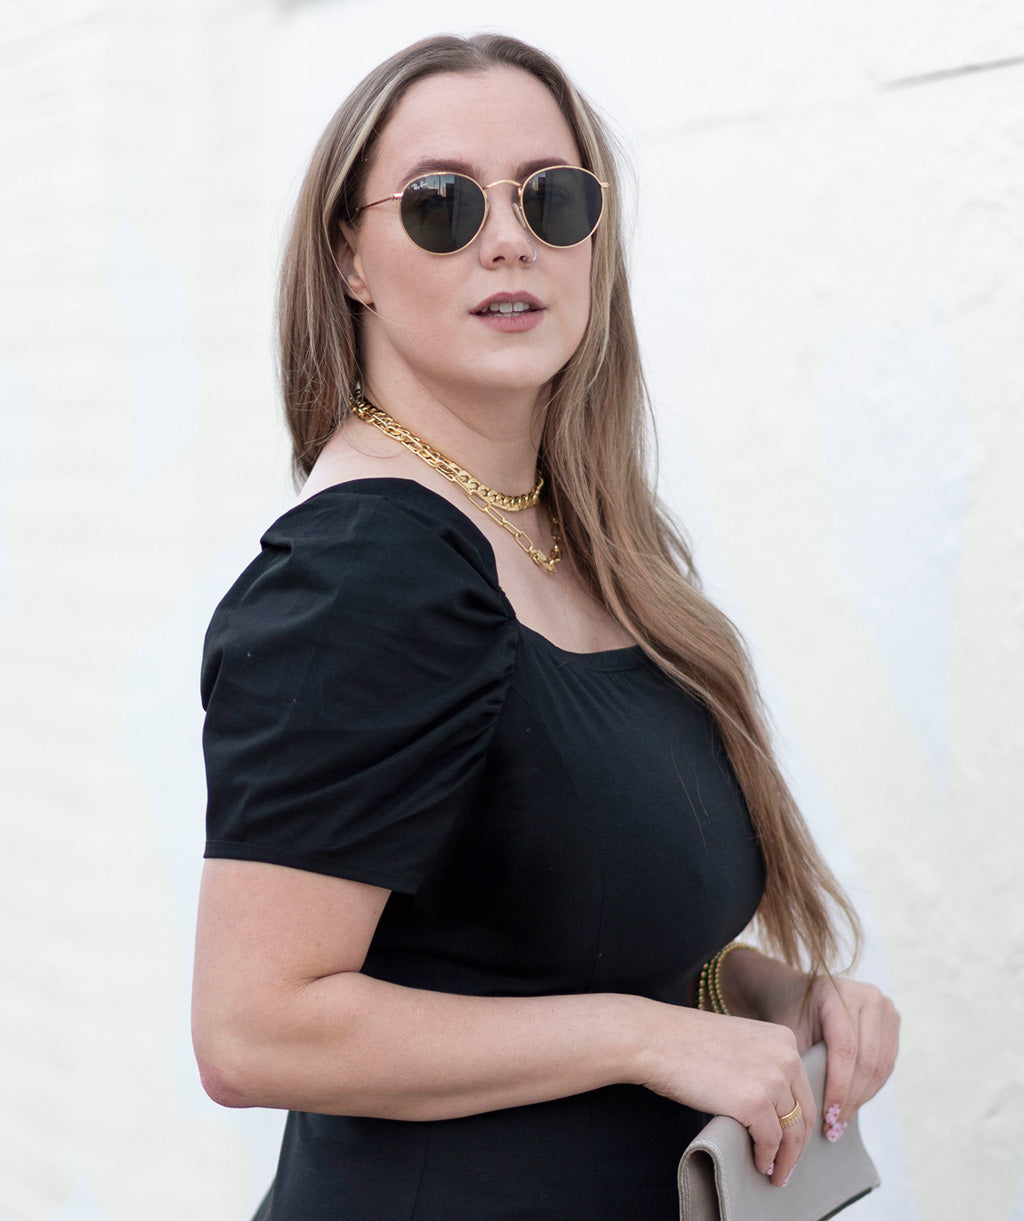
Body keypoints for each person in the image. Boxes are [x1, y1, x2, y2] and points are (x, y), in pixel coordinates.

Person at [191, 33, 899, 1220]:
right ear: (350, 258)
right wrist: (644, 1038)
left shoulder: (579, 547)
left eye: (550, 197)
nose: (508, 238)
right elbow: (254, 1029)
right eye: (442, 204)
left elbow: (552, 930)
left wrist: (762, 998)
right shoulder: (366, 575)